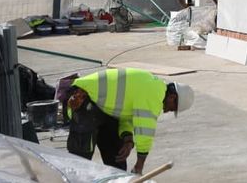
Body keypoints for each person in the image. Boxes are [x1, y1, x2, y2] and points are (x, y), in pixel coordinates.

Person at [66, 67, 194, 174]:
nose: (167, 111)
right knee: (80, 161)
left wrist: (127, 139)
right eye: (172, 109)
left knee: (117, 160)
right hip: (82, 98)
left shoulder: (153, 87)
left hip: (103, 107)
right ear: (172, 97)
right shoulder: (154, 94)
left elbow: (125, 116)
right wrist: (139, 165)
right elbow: (145, 132)